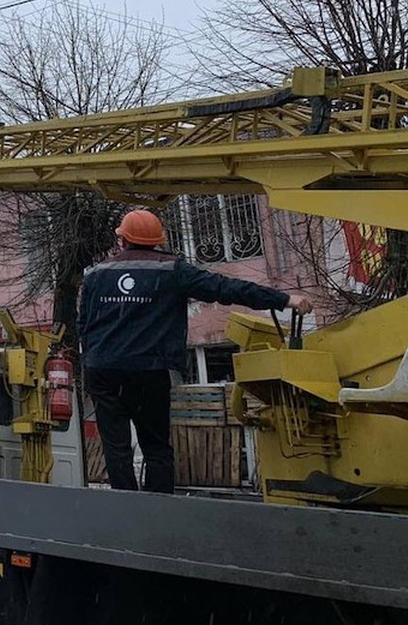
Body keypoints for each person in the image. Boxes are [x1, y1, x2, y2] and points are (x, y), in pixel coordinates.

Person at [77, 210, 313, 494]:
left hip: (103, 370)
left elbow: (83, 325)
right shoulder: (172, 270)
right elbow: (224, 288)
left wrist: (92, 360)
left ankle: (124, 507)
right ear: (157, 241)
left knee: (116, 448)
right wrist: (283, 299)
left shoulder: (96, 274)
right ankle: (157, 508)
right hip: (148, 371)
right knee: (156, 448)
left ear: (123, 239)